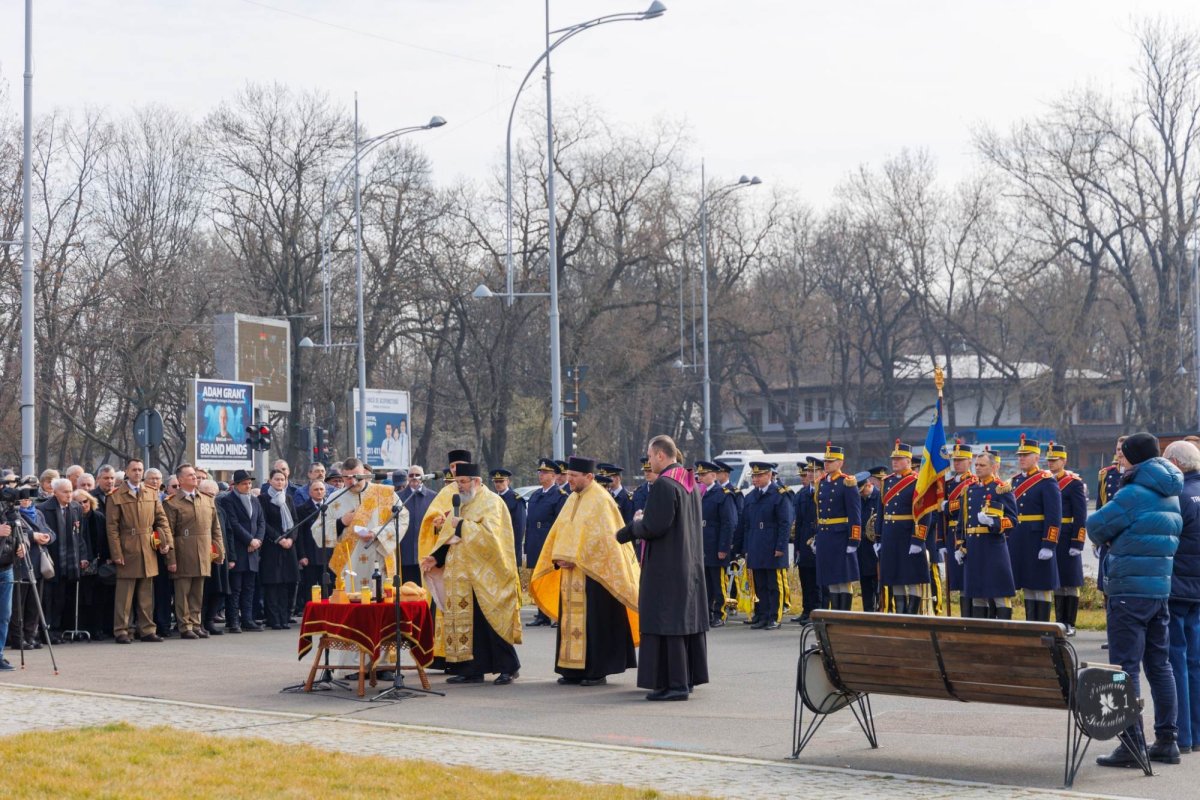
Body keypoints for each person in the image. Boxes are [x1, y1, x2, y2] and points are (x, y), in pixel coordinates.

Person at [1089, 432, 1182, 767]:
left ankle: (1131, 745)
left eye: (1123, 455)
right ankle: (1167, 740)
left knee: (1125, 669)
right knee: (1160, 665)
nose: (1119, 460)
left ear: (1134, 458)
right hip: (1159, 589)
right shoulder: (1169, 490)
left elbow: (1096, 524)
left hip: (1128, 591)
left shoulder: (1133, 493)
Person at [530, 456, 640, 686]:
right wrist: (559, 557)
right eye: (568, 475)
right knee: (571, 622)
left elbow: (604, 540)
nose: (568, 479)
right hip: (571, 573)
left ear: (589, 477)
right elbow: (559, 532)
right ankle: (572, 670)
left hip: (595, 575)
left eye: (573, 476)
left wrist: (575, 557)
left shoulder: (601, 500)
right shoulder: (572, 498)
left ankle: (596, 671)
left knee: (595, 622)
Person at [616, 435, 709, 701]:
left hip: (667, 566)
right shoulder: (689, 482)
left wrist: (630, 529)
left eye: (649, 456)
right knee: (684, 622)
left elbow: (654, 526)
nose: (648, 461)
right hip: (687, 562)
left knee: (667, 622)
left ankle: (675, 684)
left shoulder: (664, 485)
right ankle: (686, 679)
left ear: (660, 455)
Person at [420, 462, 523, 685]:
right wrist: (435, 557)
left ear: (477, 481)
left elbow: (491, 537)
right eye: (457, 482)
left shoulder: (491, 502)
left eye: (464, 482)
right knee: (468, 623)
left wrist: (462, 526)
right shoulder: (463, 504)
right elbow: (451, 537)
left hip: (487, 573)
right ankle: (472, 669)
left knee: (491, 620)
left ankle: (509, 667)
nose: (460, 487)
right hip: (462, 574)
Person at [106, 458, 172, 644]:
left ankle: (147, 629)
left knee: (146, 593)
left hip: (148, 546)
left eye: (140, 469)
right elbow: (112, 528)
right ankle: (122, 630)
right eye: (134, 469)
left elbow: (161, 520)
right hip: (128, 546)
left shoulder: (151, 493)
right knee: (124, 595)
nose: (137, 473)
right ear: (126, 471)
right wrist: (117, 553)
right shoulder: (116, 495)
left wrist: (166, 542)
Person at [1164, 440, 1200, 756]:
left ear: (1176, 463)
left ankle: (1182, 736)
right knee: (1195, 662)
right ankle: (1197, 734)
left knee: (1176, 659)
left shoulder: (1178, 497)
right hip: (1198, 589)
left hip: (1177, 587)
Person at [162, 465, 225, 639]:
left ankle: (196, 623)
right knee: (183, 592)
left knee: (198, 591)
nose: (194, 478)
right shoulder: (172, 502)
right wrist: (171, 559)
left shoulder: (206, 500)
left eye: (195, 476)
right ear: (180, 480)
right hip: (183, 552)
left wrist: (219, 551)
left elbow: (216, 528)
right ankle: (184, 625)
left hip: (203, 551)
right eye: (190, 476)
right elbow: (168, 533)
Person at [732, 462, 794, 629]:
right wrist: (744, 548)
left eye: (759, 475)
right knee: (760, 584)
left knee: (774, 584)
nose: (756, 479)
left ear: (769, 475)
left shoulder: (779, 495)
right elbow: (745, 525)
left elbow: (785, 523)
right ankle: (762, 615)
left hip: (772, 545)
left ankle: (775, 616)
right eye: (754, 476)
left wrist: (780, 547)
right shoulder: (751, 497)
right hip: (755, 545)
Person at [327, 458, 403, 592]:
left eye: (357, 476)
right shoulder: (334, 499)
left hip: (379, 556)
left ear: (364, 473)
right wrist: (341, 522)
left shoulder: (385, 493)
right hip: (350, 562)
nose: (352, 481)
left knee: (380, 602)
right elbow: (320, 529)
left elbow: (402, 518)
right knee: (352, 603)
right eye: (347, 478)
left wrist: (377, 533)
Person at [1009, 435, 1062, 622]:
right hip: (1020, 539)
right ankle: (1031, 625)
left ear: (1036, 458)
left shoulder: (1046, 480)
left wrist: (1049, 543)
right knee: (1027, 585)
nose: (1021, 458)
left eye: (1026, 454)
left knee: (1042, 585)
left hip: (1038, 539)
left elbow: (1054, 515)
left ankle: (1043, 625)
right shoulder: (1014, 481)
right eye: (1020, 455)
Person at [959, 449, 1017, 619]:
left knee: (1000, 592)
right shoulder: (968, 490)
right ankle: (981, 632)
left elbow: (1013, 520)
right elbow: (962, 522)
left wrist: (994, 523)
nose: (978, 468)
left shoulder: (1001, 489)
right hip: (974, 547)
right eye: (976, 465)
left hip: (993, 547)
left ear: (994, 467)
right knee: (977, 593)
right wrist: (960, 545)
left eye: (982, 465)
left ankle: (1004, 631)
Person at [37, 478, 88, 644]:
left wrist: (83, 556)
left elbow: (80, 535)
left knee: (62, 597)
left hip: (69, 559)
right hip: (52, 557)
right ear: (55, 492)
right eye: (65, 492)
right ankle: (46, 630)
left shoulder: (76, 508)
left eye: (70, 491)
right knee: (48, 597)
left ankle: (57, 629)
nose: (69, 495)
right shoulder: (44, 509)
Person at [878, 441, 926, 615]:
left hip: (908, 535)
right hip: (890, 536)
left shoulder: (917, 482)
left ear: (908, 460)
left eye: (899, 459)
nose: (894, 462)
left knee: (912, 578)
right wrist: (878, 538)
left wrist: (918, 539)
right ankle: (900, 613)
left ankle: (912, 615)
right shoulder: (887, 482)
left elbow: (923, 514)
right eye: (893, 459)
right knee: (895, 577)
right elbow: (881, 512)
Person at [813, 444, 862, 613]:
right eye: (825, 461)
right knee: (831, 579)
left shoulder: (847, 482)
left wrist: (854, 539)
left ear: (840, 463)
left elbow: (855, 514)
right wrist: (816, 537)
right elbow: (819, 514)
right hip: (826, 536)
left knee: (844, 579)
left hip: (841, 536)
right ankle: (835, 614)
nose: (826, 464)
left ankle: (844, 615)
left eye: (831, 461)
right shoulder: (821, 483)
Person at [216, 469, 265, 633]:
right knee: (236, 588)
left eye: (249, 483)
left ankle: (247, 619)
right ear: (235, 485)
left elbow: (261, 522)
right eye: (244, 483)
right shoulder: (228, 500)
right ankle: (233, 621)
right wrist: (249, 540)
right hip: (238, 549)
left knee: (249, 587)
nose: (248, 486)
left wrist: (257, 540)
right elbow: (233, 524)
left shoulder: (254, 500)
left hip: (253, 550)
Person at [1047, 442, 1088, 635]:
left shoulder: (1073, 483)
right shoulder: (1046, 481)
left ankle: (1070, 623)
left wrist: (1078, 541)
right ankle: (1059, 622)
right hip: (1052, 536)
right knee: (1057, 581)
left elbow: (1080, 515)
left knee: (1070, 582)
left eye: (1055, 460)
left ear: (1064, 460)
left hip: (1068, 535)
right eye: (1049, 460)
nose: (1051, 463)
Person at [258, 468, 303, 630]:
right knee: (273, 585)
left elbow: (296, 521)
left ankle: (284, 618)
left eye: (282, 480)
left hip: (289, 547)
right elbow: (264, 522)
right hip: (272, 547)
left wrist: (291, 538)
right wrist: (279, 539)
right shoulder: (263, 499)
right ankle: (273, 619)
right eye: (276, 479)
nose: (280, 482)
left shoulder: (288, 499)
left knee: (285, 584)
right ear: (270, 481)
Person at [524, 457, 568, 626]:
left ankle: (557, 613)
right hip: (535, 542)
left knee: (554, 580)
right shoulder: (536, 495)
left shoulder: (559, 496)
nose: (541, 475)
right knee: (539, 579)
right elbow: (530, 522)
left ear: (554, 476)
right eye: (540, 472)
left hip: (549, 543)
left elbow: (560, 524)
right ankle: (541, 614)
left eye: (545, 472)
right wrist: (527, 546)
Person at [696, 461, 737, 627]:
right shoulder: (699, 493)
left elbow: (728, 523)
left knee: (718, 582)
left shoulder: (723, 494)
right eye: (699, 475)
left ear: (713, 476)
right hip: (702, 544)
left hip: (715, 545)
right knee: (704, 582)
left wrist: (723, 548)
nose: (700, 477)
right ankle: (706, 612)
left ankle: (720, 613)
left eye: (704, 474)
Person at [941, 441, 976, 617]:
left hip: (966, 534)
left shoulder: (973, 482)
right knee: (956, 578)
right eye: (955, 460)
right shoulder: (947, 484)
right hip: (950, 533)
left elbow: (967, 504)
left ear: (970, 461)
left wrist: (948, 506)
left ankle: (970, 617)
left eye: (961, 460)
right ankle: (963, 616)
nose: (957, 463)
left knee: (967, 577)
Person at [198, 478, 233, 636]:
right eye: (206, 494)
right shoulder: (198, 508)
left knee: (219, 589)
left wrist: (231, 556)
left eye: (213, 495)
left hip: (220, 556)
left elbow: (229, 534)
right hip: (203, 555)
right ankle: (200, 621)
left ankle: (210, 620)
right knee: (204, 590)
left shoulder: (221, 509)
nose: (210, 497)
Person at [791, 459, 821, 622]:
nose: (810, 474)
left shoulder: (823, 491)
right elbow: (799, 522)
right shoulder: (802, 493)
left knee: (817, 581)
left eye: (814, 471)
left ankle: (816, 611)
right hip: (804, 539)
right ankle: (806, 610)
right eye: (808, 472)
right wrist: (797, 546)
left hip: (817, 538)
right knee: (805, 578)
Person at [396, 466, 434, 586]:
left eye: (417, 475)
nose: (414, 478)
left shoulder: (433, 497)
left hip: (426, 555)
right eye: (411, 475)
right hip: (404, 555)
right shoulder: (397, 497)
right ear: (407, 478)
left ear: (423, 477)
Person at [858, 465, 886, 613]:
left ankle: (880, 609)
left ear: (869, 484)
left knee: (878, 581)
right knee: (865, 582)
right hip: (862, 548)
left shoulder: (879, 498)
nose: (862, 494)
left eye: (863, 491)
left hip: (875, 546)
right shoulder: (859, 498)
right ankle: (867, 611)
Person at [491, 468, 527, 568]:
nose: (498, 484)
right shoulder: (492, 499)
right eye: (496, 481)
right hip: (496, 544)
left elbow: (519, 527)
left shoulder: (516, 499)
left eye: (501, 481)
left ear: (508, 481)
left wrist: (514, 547)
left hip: (511, 544)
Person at [0, 513, 15, 670]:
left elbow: (22, 530)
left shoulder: (6, 506)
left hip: (6, 567)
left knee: (4, 615)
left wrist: (23, 545)